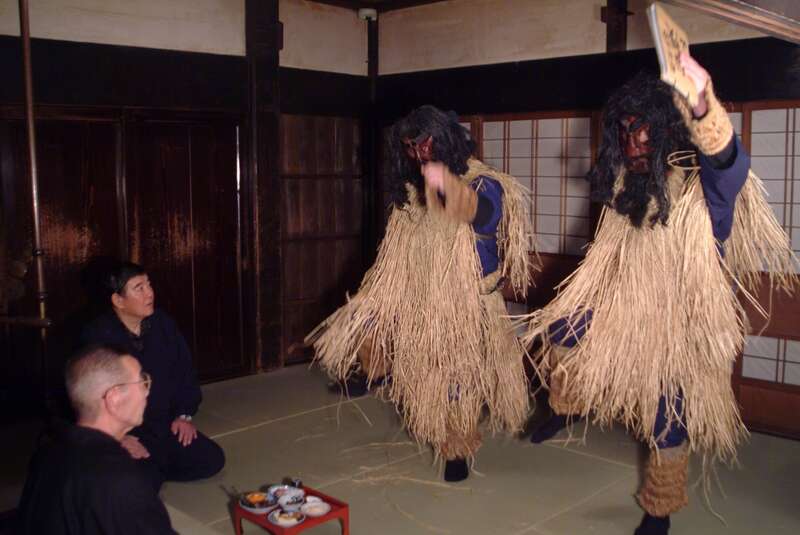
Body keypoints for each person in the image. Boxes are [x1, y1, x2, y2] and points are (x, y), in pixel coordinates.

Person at [522, 52, 796, 535]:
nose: (634, 141)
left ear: (666, 126)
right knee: (560, 331)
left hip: (679, 321)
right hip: (621, 304)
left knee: (669, 413)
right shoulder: (627, 186)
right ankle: (566, 406)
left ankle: (660, 505)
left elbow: (729, 166)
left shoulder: (702, 188)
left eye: (643, 128)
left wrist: (704, 107)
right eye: (625, 131)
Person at [308, 105, 535, 482]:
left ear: (445, 139)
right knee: (375, 325)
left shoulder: (482, 182)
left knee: (458, 381)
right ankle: (375, 370)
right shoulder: (411, 195)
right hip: (423, 298)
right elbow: (394, 256)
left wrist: (444, 183)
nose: (418, 155)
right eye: (410, 149)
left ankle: (458, 448)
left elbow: (486, 216)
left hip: (468, 303)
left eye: (424, 145)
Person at [82, 261, 225, 490]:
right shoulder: (97, 337)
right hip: (127, 431)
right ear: (118, 300)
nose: (150, 293)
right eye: (139, 288)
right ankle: (142, 466)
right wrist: (117, 437)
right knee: (141, 482)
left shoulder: (162, 324)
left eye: (149, 284)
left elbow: (185, 372)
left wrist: (183, 415)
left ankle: (154, 465)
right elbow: (88, 399)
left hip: (162, 424)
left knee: (211, 459)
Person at [18, 345, 177, 534]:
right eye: (142, 381)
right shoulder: (119, 480)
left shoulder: (48, 450)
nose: (147, 391)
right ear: (114, 398)